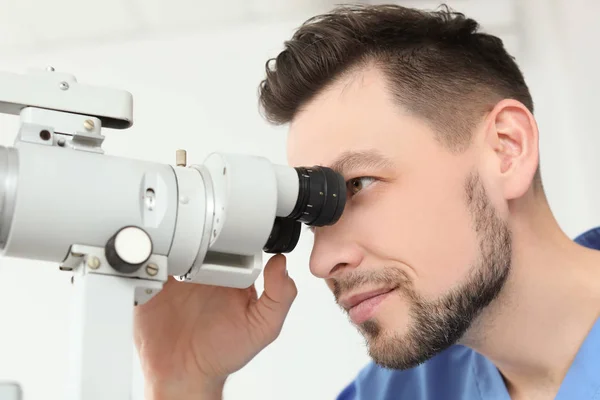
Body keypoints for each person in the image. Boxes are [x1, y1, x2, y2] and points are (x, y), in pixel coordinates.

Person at [133, 4, 600, 400]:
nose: (321, 261)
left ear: (506, 148)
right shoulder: (405, 390)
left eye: (357, 184)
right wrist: (188, 380)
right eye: (314, 214)